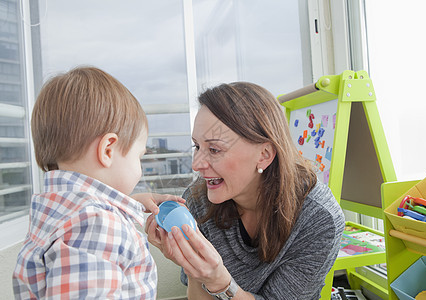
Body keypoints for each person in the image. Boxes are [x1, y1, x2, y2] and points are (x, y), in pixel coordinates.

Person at [146, 82, 345, 299]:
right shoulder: (197, 201)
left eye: (214, 149)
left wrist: (220, 282)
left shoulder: (318, 218)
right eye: (197, 146)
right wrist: (193, 269)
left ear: (264, 155)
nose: (196, 164)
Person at [12, 66, 182, 299]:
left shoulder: (57, 208)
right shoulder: (99, 225)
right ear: (108, 150)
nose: (140, 170)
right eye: (138, 156)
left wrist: (126, 204)